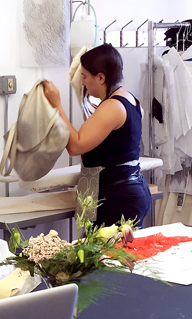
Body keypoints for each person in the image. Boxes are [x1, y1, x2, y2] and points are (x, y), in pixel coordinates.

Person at [42, 44, 151, 227]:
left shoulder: (112, 107)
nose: (82, 82)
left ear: (101, 77)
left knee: (106, 254)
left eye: (85, 77)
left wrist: (56, 105)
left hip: (118, 196)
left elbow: (76, 146)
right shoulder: (127, 98)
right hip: (126, 190)